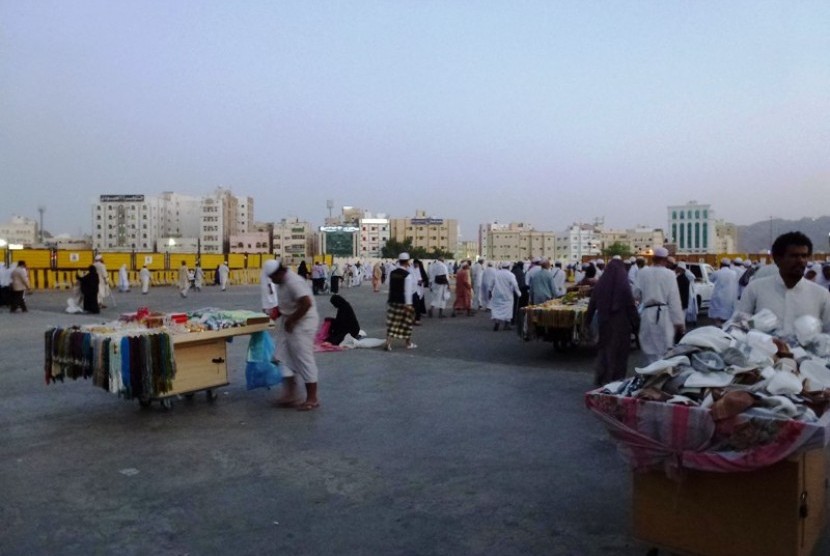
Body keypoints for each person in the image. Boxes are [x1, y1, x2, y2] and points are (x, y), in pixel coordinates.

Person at [735, 231, 830, 336]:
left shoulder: (821, 295)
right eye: (794, 256)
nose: (801, 261)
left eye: (804, 256)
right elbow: (738, 327)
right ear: (777, 259)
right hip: (764, 351)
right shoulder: (755, 289)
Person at [267, 259, 320, 411]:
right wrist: (277, 312)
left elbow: (306, 303)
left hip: (303, 323)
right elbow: (287, 302)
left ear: (280, 272)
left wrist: (292, 320)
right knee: (283, 357)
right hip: (290, 321)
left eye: (273, 277)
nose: (272, 280)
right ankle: (290, 394)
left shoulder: (293, 282)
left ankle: (312, 398)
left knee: (303, 358)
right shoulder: (281, 282)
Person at [585, 258, 639, 386]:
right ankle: (616, 381)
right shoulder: (623, 283)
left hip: (604, 323)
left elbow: (592, 304)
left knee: (605, 351)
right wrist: (637, 324)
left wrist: (587, 322)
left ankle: (603, 378)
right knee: (619, 354)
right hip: (621, 325)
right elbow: (630, 305)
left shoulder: (601, 283)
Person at [633, 247, 684, 364]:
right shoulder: (670, 274)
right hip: (665, 316)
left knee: (649, 350)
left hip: (647, 314)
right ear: (665, 260)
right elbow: (674, 300)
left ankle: (650, 375)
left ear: (653, 259)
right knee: (664, 350)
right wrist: (679, 322)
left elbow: (635, 293)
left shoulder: (642, 272)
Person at [385, 253, 417, 351]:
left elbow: (388, 284)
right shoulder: (407, 275)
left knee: (392, 322)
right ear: (407, 262)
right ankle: (408, 343)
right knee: (407, 323)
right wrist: (408, 305)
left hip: (392, 300)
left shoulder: (392, 273)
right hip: (403, 302)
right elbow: (407, 291)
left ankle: (388, 343)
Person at [489, 262, 521, 331]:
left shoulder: (496, 273)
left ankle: (497, 323)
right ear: (509, 267)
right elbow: (515, 285)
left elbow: (491, 284)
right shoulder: (510, 275)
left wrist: (490, 292)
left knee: (497, 308)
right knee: (508, 309)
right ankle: (506, 325)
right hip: (507, 295)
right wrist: (519, 294)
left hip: (497, 294)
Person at [709, 258, 739, 326]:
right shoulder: (734, 273)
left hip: (718, 296)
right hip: (729, 297)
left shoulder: (717, 272)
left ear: (721, 265)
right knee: (728, 314)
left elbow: (710, 280)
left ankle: (718, 327)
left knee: (717, 315)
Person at [411, 259, 428, 325]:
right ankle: (416, 318)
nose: (417, 265)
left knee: (419, 301)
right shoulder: (411, 269)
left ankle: (418, 315)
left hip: (419, 288)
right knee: (415, 303)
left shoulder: (419, 269)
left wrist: (421, 281)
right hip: (413, 289)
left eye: (418, 264)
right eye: (416, 264)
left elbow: (423, 277)